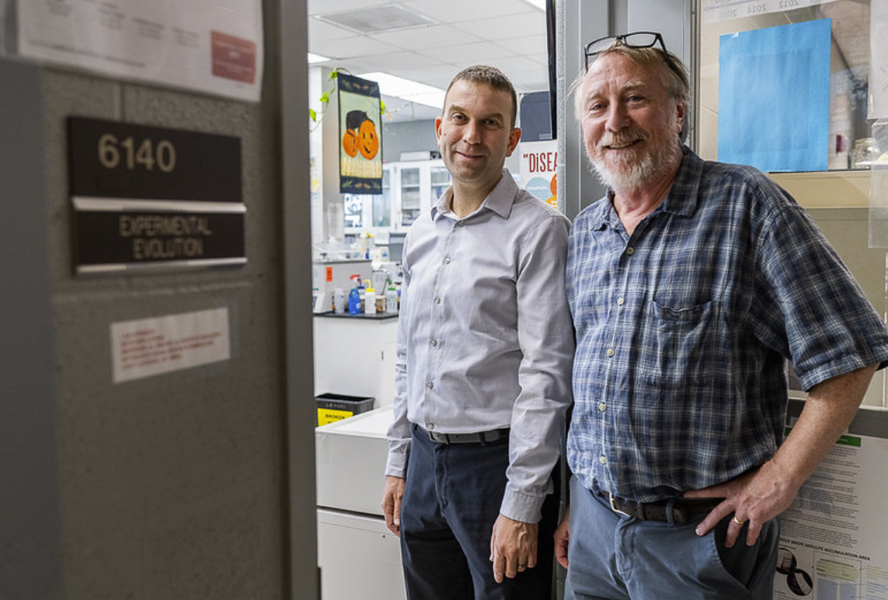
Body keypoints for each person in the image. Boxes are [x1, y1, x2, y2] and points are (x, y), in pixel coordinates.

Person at [555, 31, 888, 600]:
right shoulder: (585, 232)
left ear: (677, 112)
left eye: (635, 99)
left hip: (697, 542)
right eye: (597, 106)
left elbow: (849, 353)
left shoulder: (744, 203)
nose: (615, 122)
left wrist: (780, 479)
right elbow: (587, 391)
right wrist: (576, 505)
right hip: (592, 532)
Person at [381, 65, 574, 600]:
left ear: (511, 139)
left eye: (491, 123)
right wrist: (399, 464)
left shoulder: (539, 231)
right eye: (460, 119)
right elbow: (407, 357)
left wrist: (522, 501)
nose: (472, 136)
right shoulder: (419, 233)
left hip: (495, 468)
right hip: (423, 460)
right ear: (439, 128)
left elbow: (547, 376)